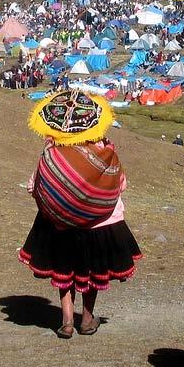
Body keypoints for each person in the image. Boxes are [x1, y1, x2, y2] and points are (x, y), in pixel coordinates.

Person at [19, 89, 142, 339]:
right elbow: (121, 185)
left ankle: (65, 320)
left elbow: (35, 186)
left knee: (65, 271)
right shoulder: (106, 152)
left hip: (60, 225)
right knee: (90, 273)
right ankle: (86, 319)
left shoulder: (52, 153)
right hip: (100, 225)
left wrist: (61, 202)